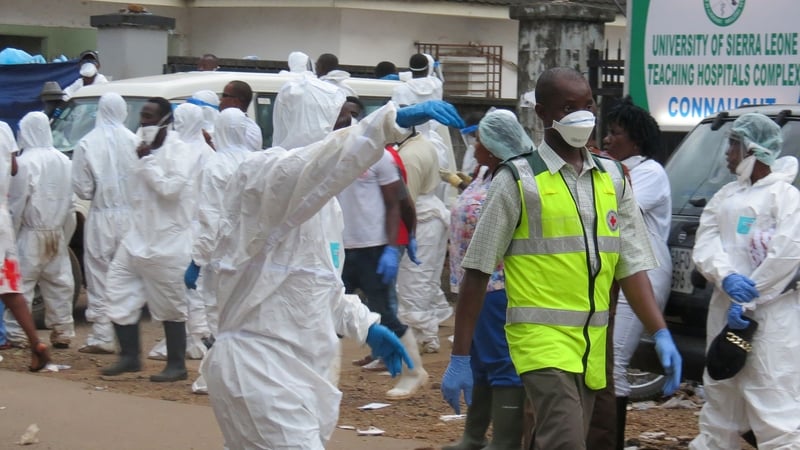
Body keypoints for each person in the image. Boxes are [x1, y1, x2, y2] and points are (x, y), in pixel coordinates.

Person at [194, 100, 464, 449]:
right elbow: (319, 163)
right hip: (259, 369)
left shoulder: (325, 207)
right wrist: (385, 124)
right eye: (338, 120)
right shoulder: (264, 176)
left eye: (350, 121)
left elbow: (320, 285)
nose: (347, 127)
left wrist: (365, 325)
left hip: (298, 374)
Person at [441, 67, 682, 450]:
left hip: (591, 345)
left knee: (555, 438)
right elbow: (477, 270)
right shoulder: (518, 180)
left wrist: (660, 331)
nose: (582, 115)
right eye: (568, 108)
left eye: (588, 105)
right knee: (566, 441)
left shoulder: (613, 178)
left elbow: (631, 266)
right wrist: (460, 356)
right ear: (542, 113)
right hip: (541, 342)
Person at [690, 113, 800, 449]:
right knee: (720, 400)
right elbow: (705, 242)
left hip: (771, 320)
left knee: (774, 407)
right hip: (725, 312)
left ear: (752, 149)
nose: (727, 153)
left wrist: (750, 297)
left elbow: (787, 254)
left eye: (733, 145)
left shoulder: (786, 197)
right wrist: (727, 277)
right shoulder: (726, 196)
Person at [442, 109, 531, 450]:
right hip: (471, 282)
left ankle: (505, 441)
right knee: (478, 361)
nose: (474, 145)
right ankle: (473, 436)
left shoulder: (514, 177)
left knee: (501, 361)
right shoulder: (483, 174)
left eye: (479, 140)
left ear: (494, 145)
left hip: (498, 282)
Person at [335, 96, 428, 399]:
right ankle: (323, 379)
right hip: (338, 248)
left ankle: (414, 372)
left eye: (346, 114)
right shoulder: (329, 152)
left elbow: (397, 202)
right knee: (328, 317)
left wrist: (397, 243)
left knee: (384, 312)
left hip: (373, 248)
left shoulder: (378, 154)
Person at [101, 97, 197, 382]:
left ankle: (176, 365)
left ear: (166, 120)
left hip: (168, 241)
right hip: (136, 238)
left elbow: (171, 189)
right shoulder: (139, 146)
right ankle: (129, 356)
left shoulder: (179, 150)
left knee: (170, 304)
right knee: (117, 288)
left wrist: (148, 162)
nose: (144, 122)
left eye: (150, 117)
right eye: (142, 116)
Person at [599, 97, 673, 448]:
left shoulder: (649, 173)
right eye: (607, 132)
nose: (608, 139)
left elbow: (613, 208)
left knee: (614, 362)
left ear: (636, 141)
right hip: (617, 271)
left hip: (644, 271)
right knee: (602, 362)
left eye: (615, 133)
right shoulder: (611, 169)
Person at [147, 102, 217, 362]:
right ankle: (197, 335)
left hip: (183, 225)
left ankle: (193, 338)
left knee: (185, 284)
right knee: (196, 284)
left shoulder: (179, 152)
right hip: (199, 224)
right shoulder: (207, 153)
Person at [71, 92, 140, 354]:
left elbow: (83, 189)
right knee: (127, 277)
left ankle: (102, 335)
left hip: (102, 215)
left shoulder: (87, 143)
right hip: (131, 217)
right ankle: (128, 338)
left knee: (99, 275)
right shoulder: (135, 141)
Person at [4, 112, 75, 349]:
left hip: (30, 232)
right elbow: (71, 204)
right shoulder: (64, 161)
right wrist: (64, 234)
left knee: (22, 284)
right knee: (60, 283)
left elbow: (17, 203)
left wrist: (12, 235)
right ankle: (62, 331)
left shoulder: (25, 162)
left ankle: (18, 334)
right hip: (57, 231)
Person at [395, 123, 453, 354]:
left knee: (413, 280)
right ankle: (427, 335)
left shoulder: (409, 155)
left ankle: (417, 339)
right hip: (430, 215)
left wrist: (405, 234)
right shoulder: (423, 143)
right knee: (425, 279)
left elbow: (406, 200)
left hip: (420, 219)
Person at [0, 121, 51, 370]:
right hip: (2, 220)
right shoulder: (3, 129)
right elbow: (13, 167)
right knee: (9, 287)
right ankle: (36, 343)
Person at [219, 80, 263, 151]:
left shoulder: (250, 130)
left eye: (224, 95)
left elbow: (232, 154)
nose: (221, 99)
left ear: (235, 101)